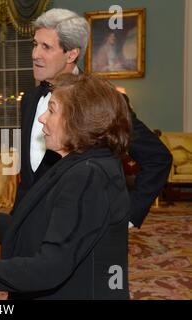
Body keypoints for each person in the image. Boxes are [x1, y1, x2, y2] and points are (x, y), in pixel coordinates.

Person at [0, 74, 132, 299]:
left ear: (79, 119)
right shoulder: (80, 163)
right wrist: (1, 221)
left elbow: (49, 268)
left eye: (51, 110)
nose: (42, 118)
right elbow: (60, 226)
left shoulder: (88, 175)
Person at [10, 8, 170, 228]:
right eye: (35, 44)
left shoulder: (103, 101)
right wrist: (11, 224)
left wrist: (129, 217)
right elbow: (31, 175)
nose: (35, 54)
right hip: (25, 228)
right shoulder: (29, 100)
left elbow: (158, 158)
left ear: (71, 54)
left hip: (76, 235)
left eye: (46, 47)